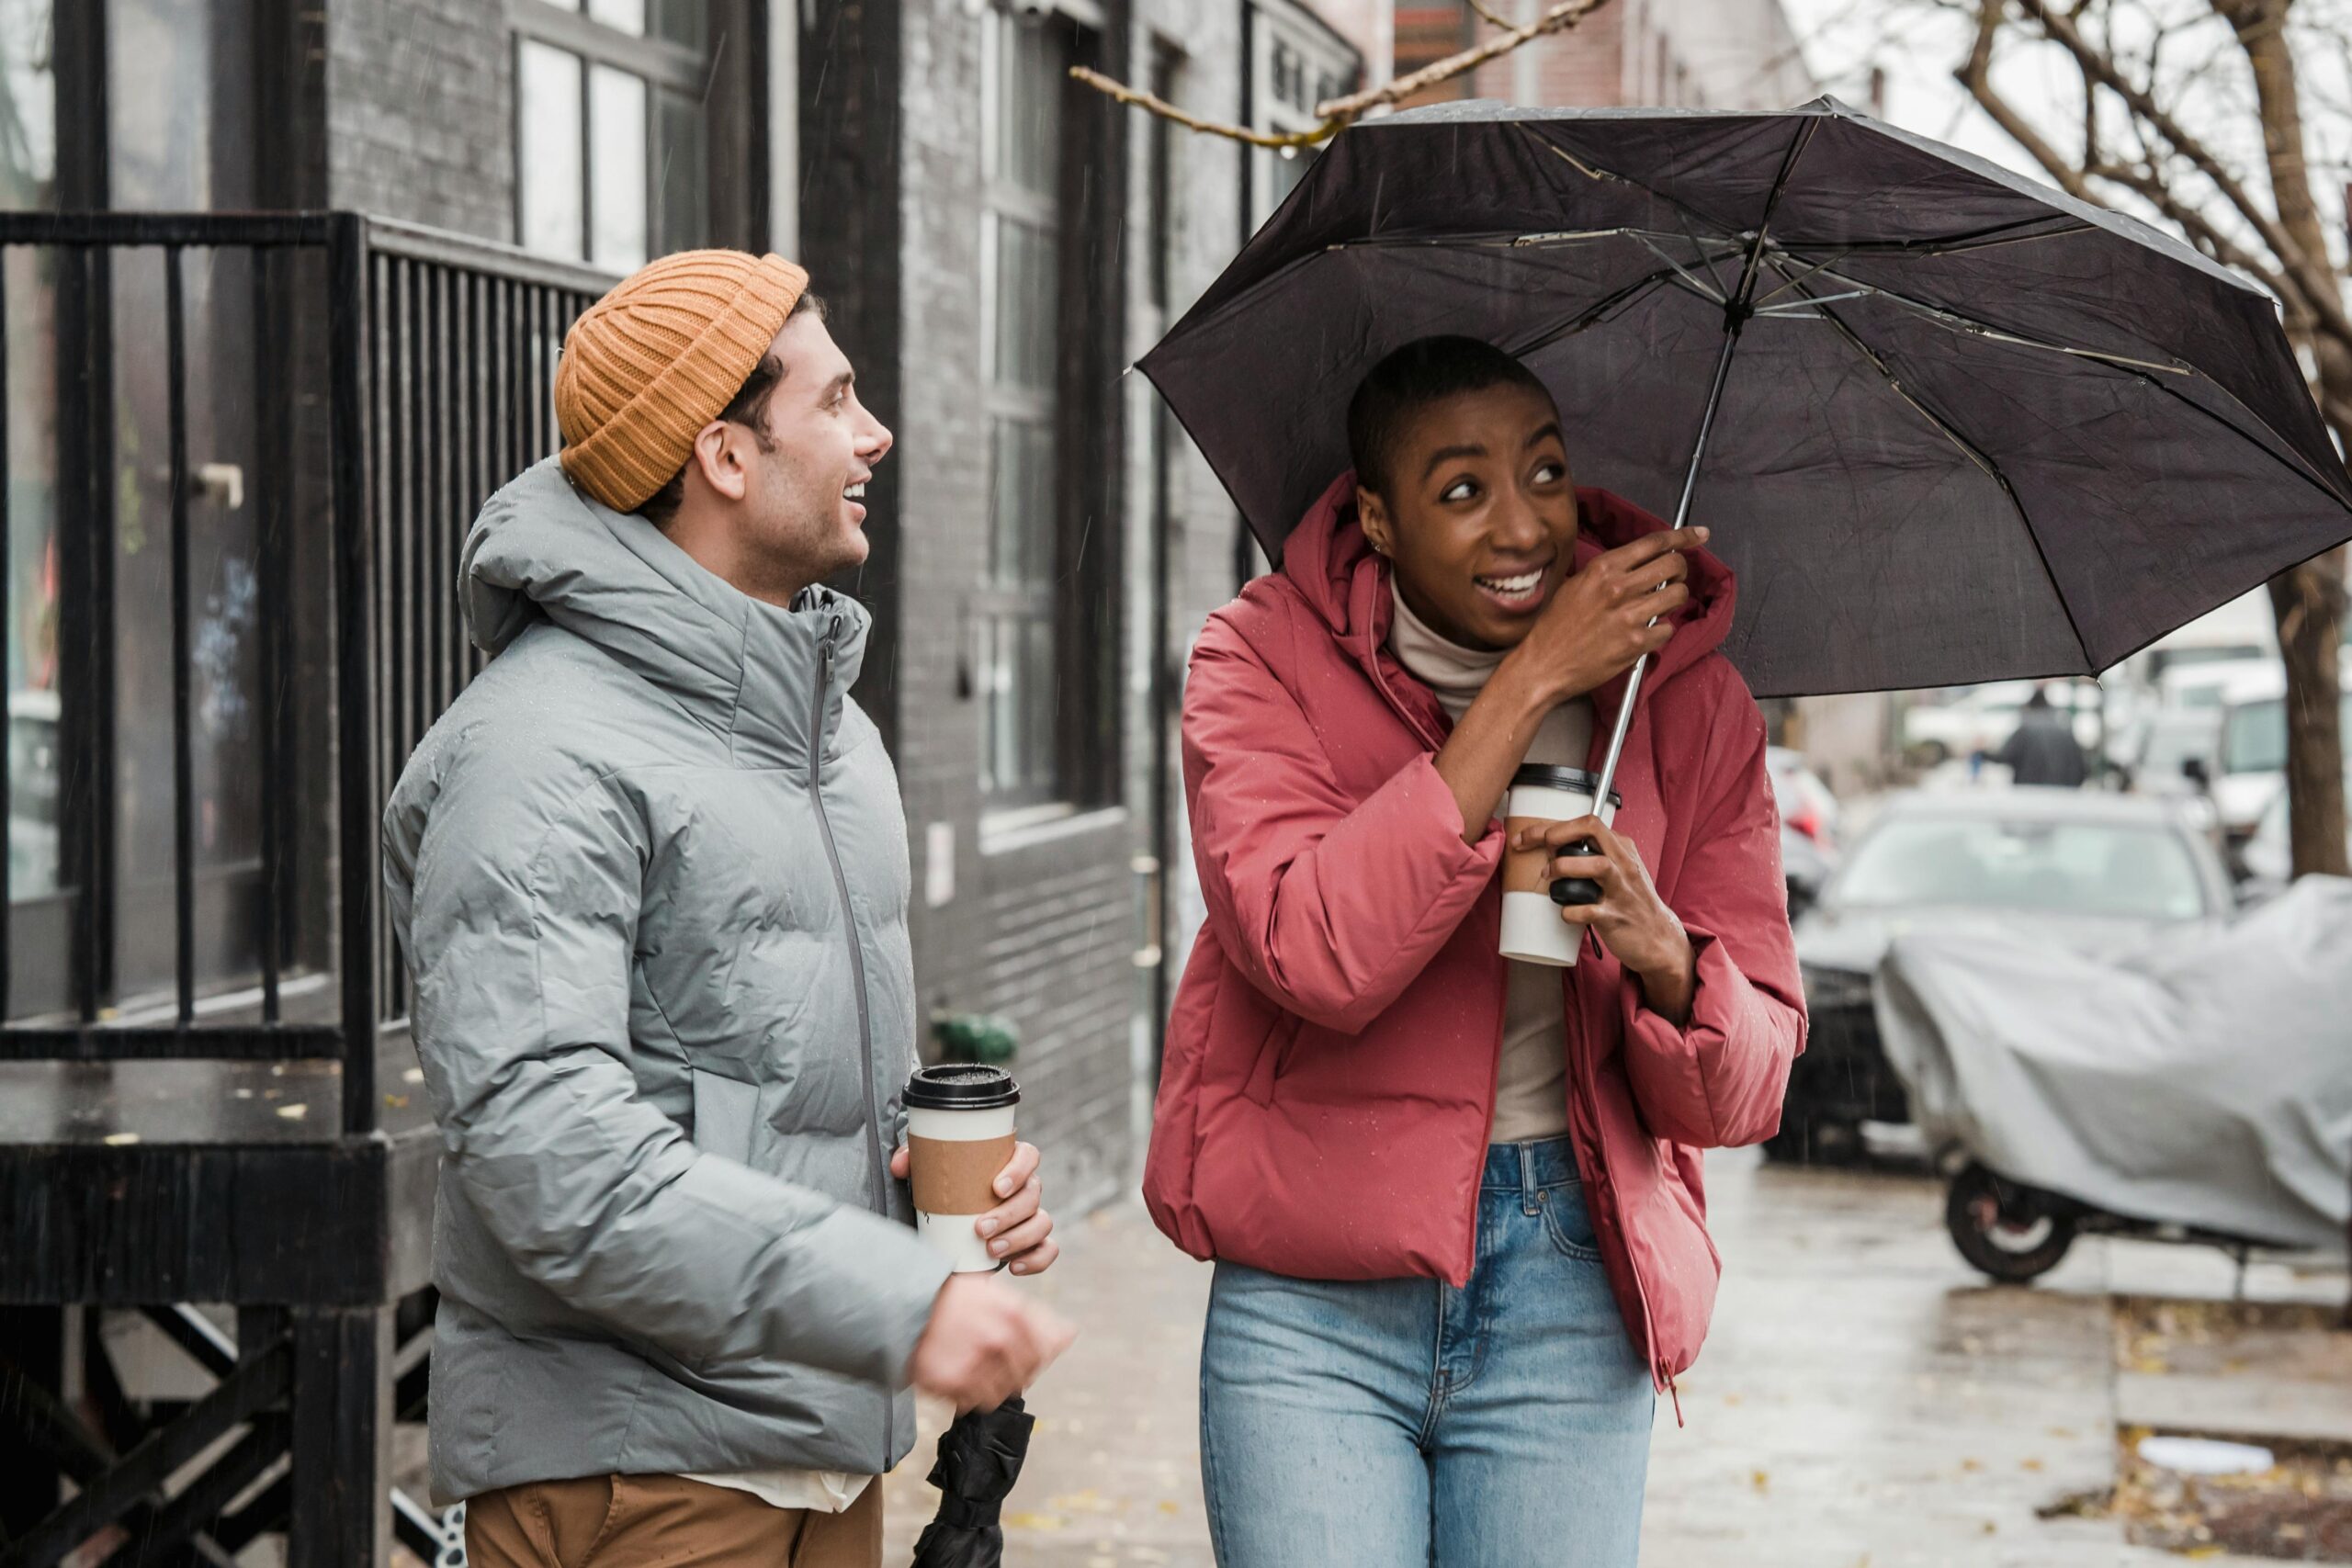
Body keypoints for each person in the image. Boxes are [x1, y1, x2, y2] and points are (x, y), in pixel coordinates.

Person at [383, 249, 1073, 1568]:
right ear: (726, 455)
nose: (874, 434)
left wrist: (947, 1205)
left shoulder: (829, 737)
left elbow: (777, 1089)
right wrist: (890, 1296)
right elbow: (552, 1158)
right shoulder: (537, 753)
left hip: (819, 1459)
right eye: (835, 401)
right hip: (639, 1479)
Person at [1144, 337, 1805, 1567]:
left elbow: (1751, 1082)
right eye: (1462, 490)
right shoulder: (1257, 660)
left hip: (1569, 1279)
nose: (1521, 524)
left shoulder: (1686, 703)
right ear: (1379, 523)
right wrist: (1538, 671)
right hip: (1313, 1292)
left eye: (1544, 473)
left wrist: (1665, 951)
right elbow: (1312, 951)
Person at [1993, 684, 2090, 787]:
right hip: (2063, 793)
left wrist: (1982, 752)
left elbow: (2005, 756)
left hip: (2029, 791)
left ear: (2030, 707)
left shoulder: (2025, 729)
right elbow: (2083, 767)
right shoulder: (2064, 729)